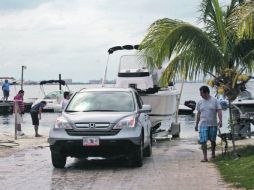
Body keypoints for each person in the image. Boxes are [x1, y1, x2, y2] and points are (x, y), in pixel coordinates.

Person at [195, 85, 222, 162]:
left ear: (206, 93)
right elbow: (198, 114)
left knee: (212, 140)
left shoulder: (215, 101)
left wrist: (220, 120)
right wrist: (196, 125)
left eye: (201, 93)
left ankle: (213, 153)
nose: (200, 95)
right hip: (203, 124)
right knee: (203, 140)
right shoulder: (200, 102)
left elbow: (219, 111)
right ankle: (205, 157)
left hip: (213, 124)